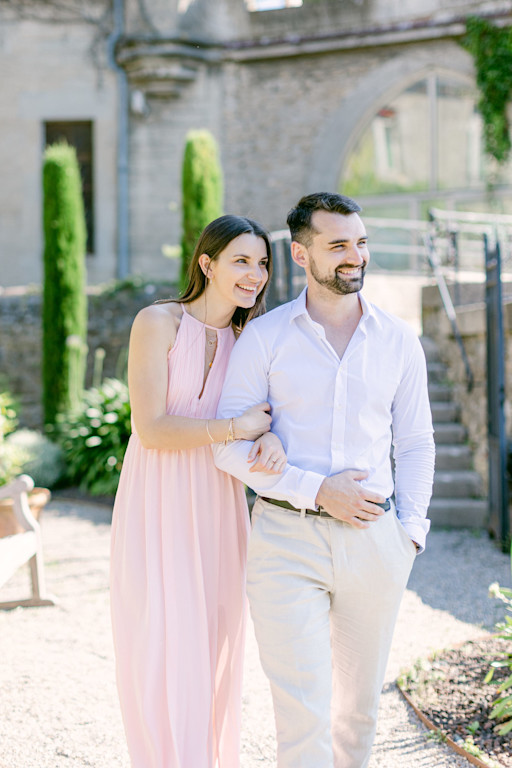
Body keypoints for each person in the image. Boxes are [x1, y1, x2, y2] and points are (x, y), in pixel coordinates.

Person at [213, 193, 436, 768]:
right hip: (286, 543)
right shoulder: (264, 338)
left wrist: (409, 533)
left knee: (358, 714)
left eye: (360, 243)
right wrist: (316, 491)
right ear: (300, 253)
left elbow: (415, 443)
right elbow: (230, 449)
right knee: (302, 711)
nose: (353, 256)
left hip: (376, 542)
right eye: (337, 245)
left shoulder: (398, 340)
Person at [110, 214, 287, 768]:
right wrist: (235, 429)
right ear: (207, 264)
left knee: (215, 639)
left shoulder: (252, 340)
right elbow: (152, 428)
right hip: (156, 496)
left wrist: (274, 441)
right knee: (160, 638)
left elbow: (272, 419)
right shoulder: (157, 322)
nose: (255, 274)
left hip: (218, 500)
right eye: (241, 260)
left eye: (261, 264)